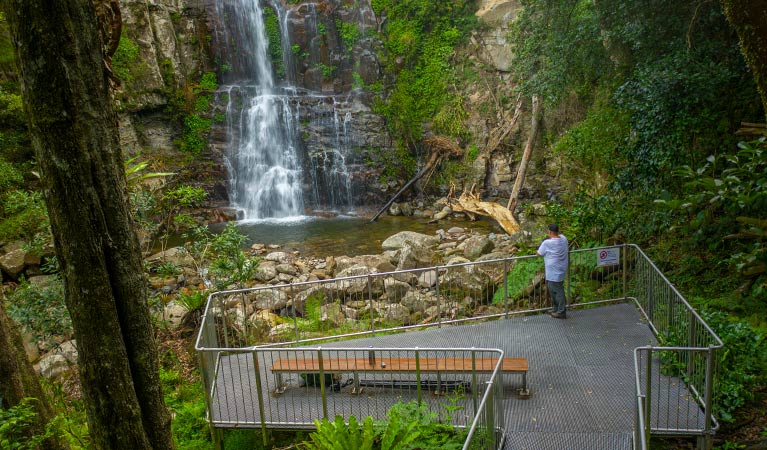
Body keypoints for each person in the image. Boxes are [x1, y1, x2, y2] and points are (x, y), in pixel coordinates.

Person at [537, 224, 569, 319]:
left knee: (558, 291)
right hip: (560, 269)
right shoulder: (563, 239)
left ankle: (561, 311)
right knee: (551, 288)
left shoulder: (547, 243)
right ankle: (555, 308)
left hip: (554, 271)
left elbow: (539, 253)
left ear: (550, 232)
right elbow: (561, 235)